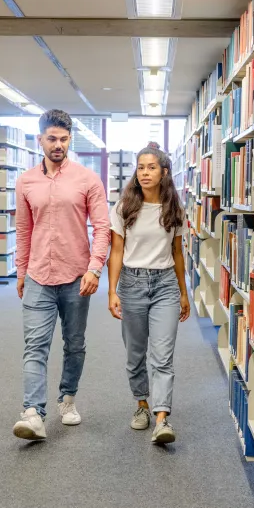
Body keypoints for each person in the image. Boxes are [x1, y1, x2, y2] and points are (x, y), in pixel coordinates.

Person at [12, 109, 110, 441]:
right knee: (35, 345)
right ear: (40, 139)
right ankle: (33, 413)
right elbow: (23, 231)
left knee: (75, 343)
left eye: (64, 139)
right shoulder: (25, 181)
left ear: (70, 140)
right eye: (52, 139)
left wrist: (96, 268)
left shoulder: (87, 179)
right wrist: (21, 271)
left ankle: (67, 400)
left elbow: (102, 228)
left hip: (76, 275)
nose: (58, 145)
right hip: (39, 275)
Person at [107, 142, 190, 444]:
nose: (144, 173)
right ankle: (141, 404)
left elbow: (177, 252)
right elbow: (116, 251)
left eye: (151, 167)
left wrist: (183, 292)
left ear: (164, 171)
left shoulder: (174, 208)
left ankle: (161, 418)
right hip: (132, 284)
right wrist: (112, 291)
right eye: (141, 167)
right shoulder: (124, 206)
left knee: (163, 356)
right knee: (135, 354)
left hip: (165, 284)